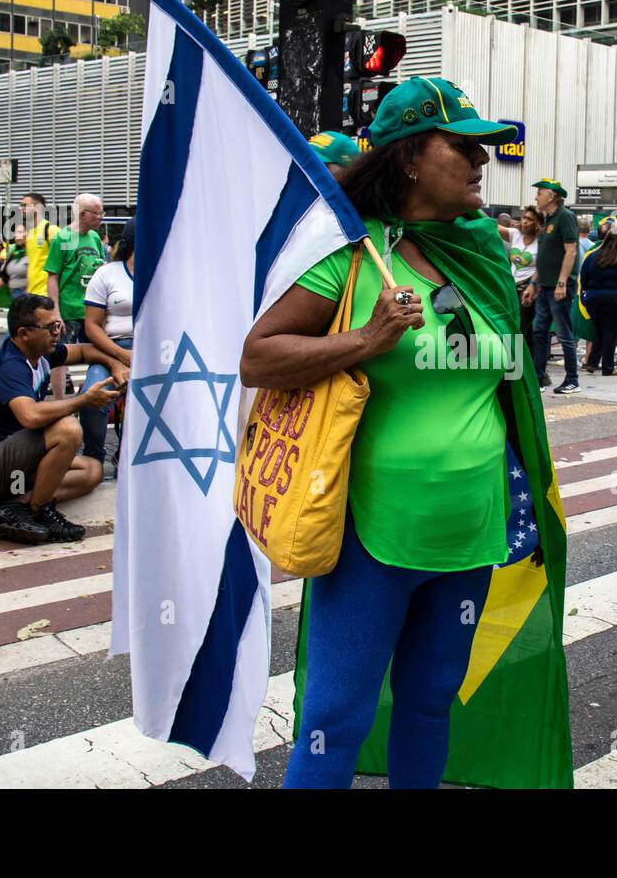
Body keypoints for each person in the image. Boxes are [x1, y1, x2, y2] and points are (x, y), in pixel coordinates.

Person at [241, 75, 547, 789]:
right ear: (410, 158)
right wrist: (366, 339)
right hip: (371, 534)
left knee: (432, 701)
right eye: (462, 147)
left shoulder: (482, 256)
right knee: (334, 719)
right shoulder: (350, 254)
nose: (480, 162)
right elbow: (259, 356)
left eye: (484, 149)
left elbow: (503, 378)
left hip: (471, 528)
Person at [0, 293, 126, 544]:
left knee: (91, 470)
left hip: (12, 468)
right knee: (67, 429)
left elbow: (85, 350)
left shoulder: (42, 354)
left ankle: (16, 506)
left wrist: (115, 364)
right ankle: (40, 510)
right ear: (24, 334)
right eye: (51, 327)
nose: (58, 332)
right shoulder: (11, 363)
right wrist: (84, 400)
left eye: (59, 325)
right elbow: (30, 417)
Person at [79, 218, 134, 468]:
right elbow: (92, 325)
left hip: (156, 349)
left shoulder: (164, 272)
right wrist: (121, 356)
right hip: (111, 348)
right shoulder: (107, 273)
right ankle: (94, 457)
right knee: (93, 398)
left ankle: (131, 456)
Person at [44, 193, 106, 397]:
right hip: (69, 309)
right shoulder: (63, 238)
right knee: (60, 356)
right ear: (83, 214)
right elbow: (53, 276)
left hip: (92, 309)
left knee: (99, 354)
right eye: (97, 213)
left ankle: (90, 392)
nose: (101, 217)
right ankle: (61, 401)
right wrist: (55, 311)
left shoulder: (95, 237)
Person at [526, 178, 581, 393]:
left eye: (539, 193)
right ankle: (538, 378)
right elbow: (545, 259)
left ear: (551, 196)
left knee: (564, 333)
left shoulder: (565, 217)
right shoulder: (549, 220)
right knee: (539, 331)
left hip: (559, 287)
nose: (536, 197)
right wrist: (533, 283)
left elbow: (571, 251)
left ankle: (572, 380)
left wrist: (562, 283)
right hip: (545, 286)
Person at [580, 232, 617, 376]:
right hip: (616, 300)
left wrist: (590, 290)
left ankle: (592, 363)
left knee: (599, 331)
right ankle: (608, 367)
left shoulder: (592, 257)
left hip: (593, 299)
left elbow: (583, 278)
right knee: (611, 333)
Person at [20, 192, 58, 320]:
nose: (22, 209)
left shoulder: (51, 230)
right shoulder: (30, 233)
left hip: (45, 295)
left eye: (25, 205)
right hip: (32, 294)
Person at [510, 206, 542, 339]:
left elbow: (542, 267)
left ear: (537, 224)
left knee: (519, 328)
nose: (525, 221)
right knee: (516, 328)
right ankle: (521, 359)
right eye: (524, 217)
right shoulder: (515, 234)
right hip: (512, 288)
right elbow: (489, 224)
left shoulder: (542, 241)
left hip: (528, 289)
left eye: (529, 219)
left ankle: (515, 359)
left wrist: (532, 285)